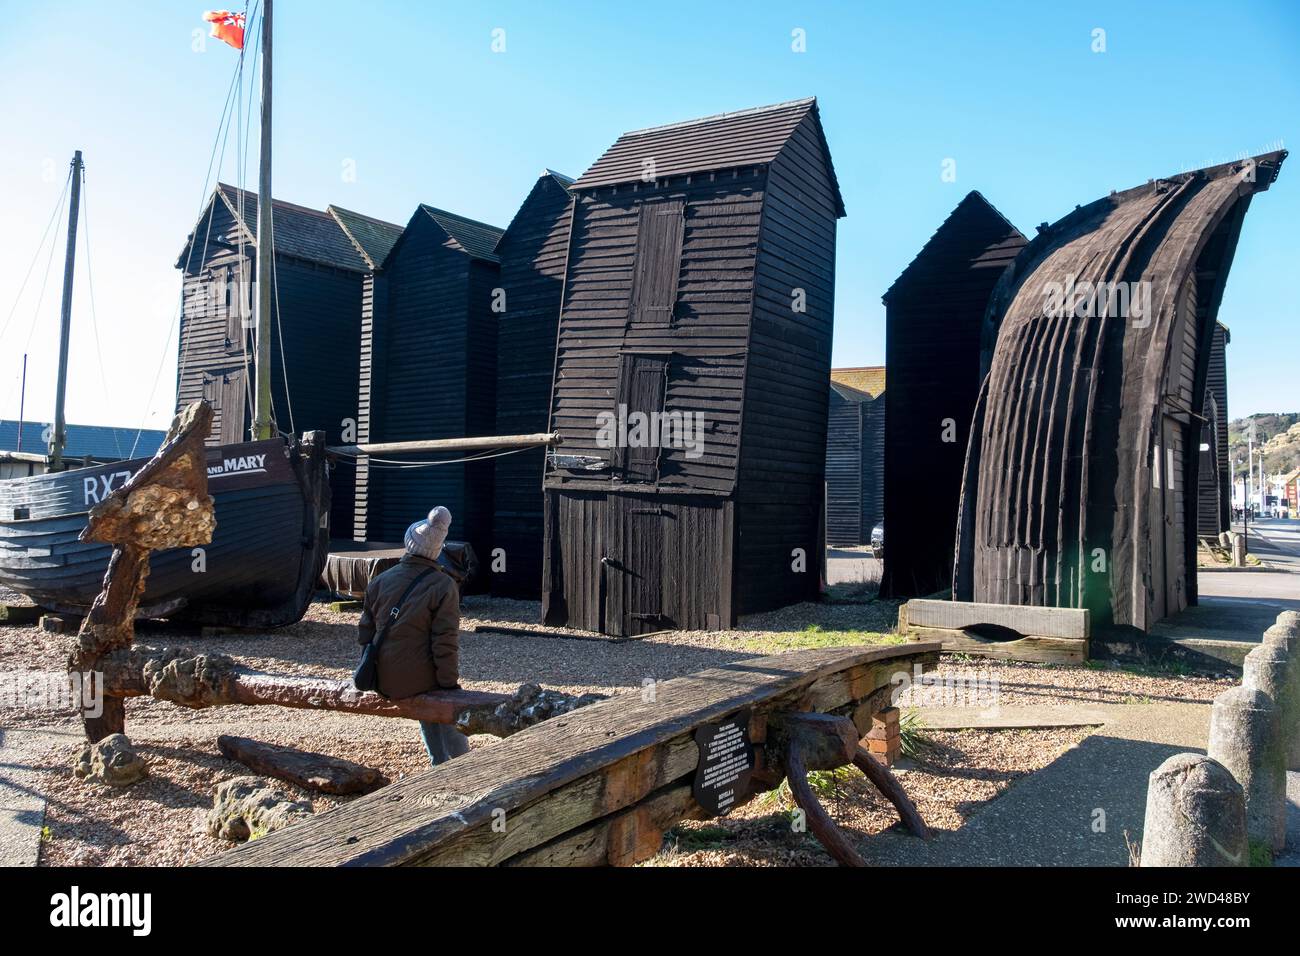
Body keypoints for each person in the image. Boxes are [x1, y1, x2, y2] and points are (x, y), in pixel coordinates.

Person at [358, 506, 470, 766]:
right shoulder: (443, 586)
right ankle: (462, 764)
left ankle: (440, 761)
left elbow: (365, 632)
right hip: (418, 680)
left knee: (427, 692)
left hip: (381, 680)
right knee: (440, 697)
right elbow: (444, 642)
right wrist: (449, 685)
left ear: (409, 544)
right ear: (437, 551)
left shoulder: (380, 580)